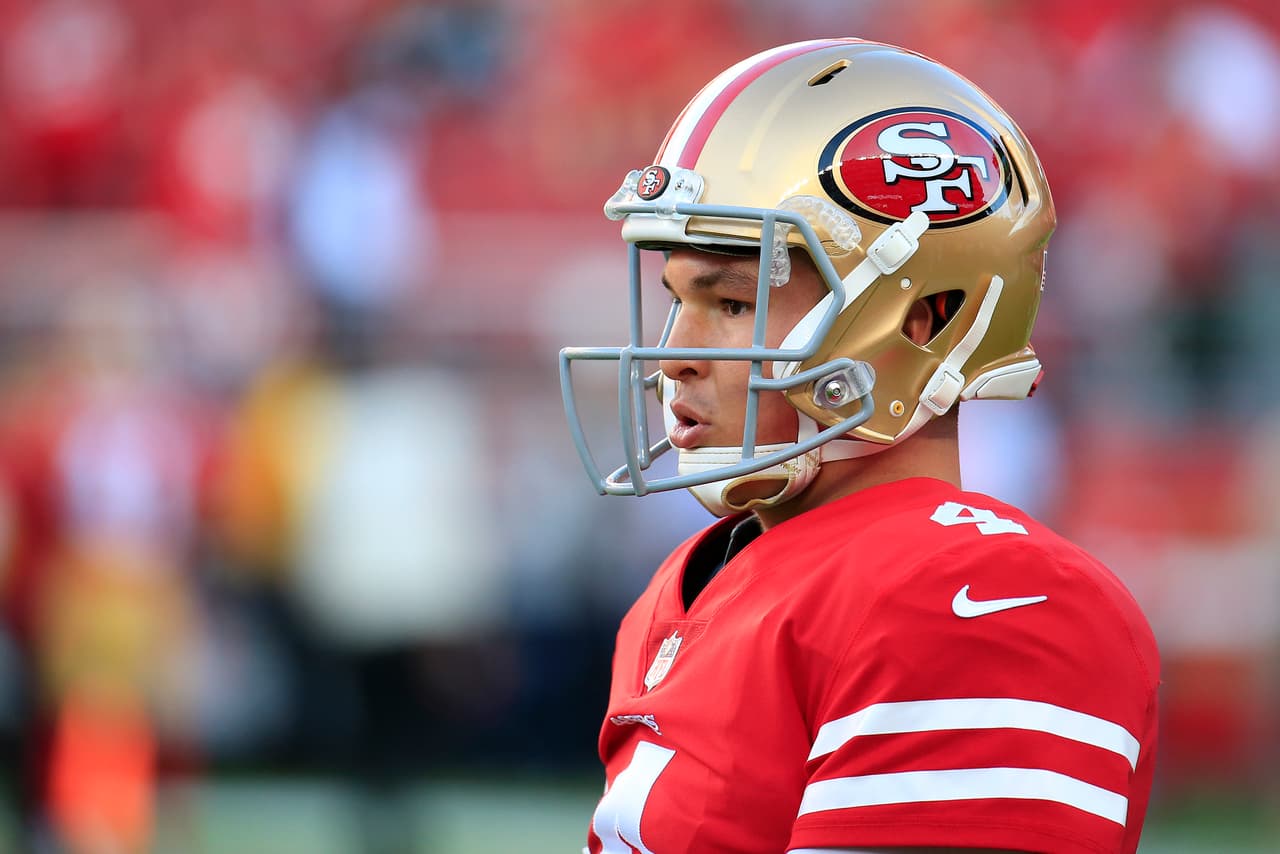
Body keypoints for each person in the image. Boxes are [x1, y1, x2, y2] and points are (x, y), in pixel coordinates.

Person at [559, 38, 1159, 854]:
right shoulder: (694, 580)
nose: (675, 354)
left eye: (733, 303)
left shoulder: (984, 599)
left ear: (924, 320)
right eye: (677, 297)